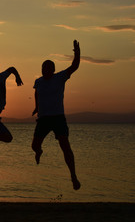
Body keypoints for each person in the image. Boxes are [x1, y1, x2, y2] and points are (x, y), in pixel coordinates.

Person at [31, 40, 81, 190]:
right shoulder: (38, 81)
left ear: (52, 70)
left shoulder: (59, 77)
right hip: (43, 119)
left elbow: (74, 67)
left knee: (65, 146)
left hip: (58, 117)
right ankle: (39, 152)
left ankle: (73, 176)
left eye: (47, 68)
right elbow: (36, 92)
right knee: (34, 146)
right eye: (42, 68)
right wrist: (36, 106)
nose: (44, 70)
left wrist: (77, 52)